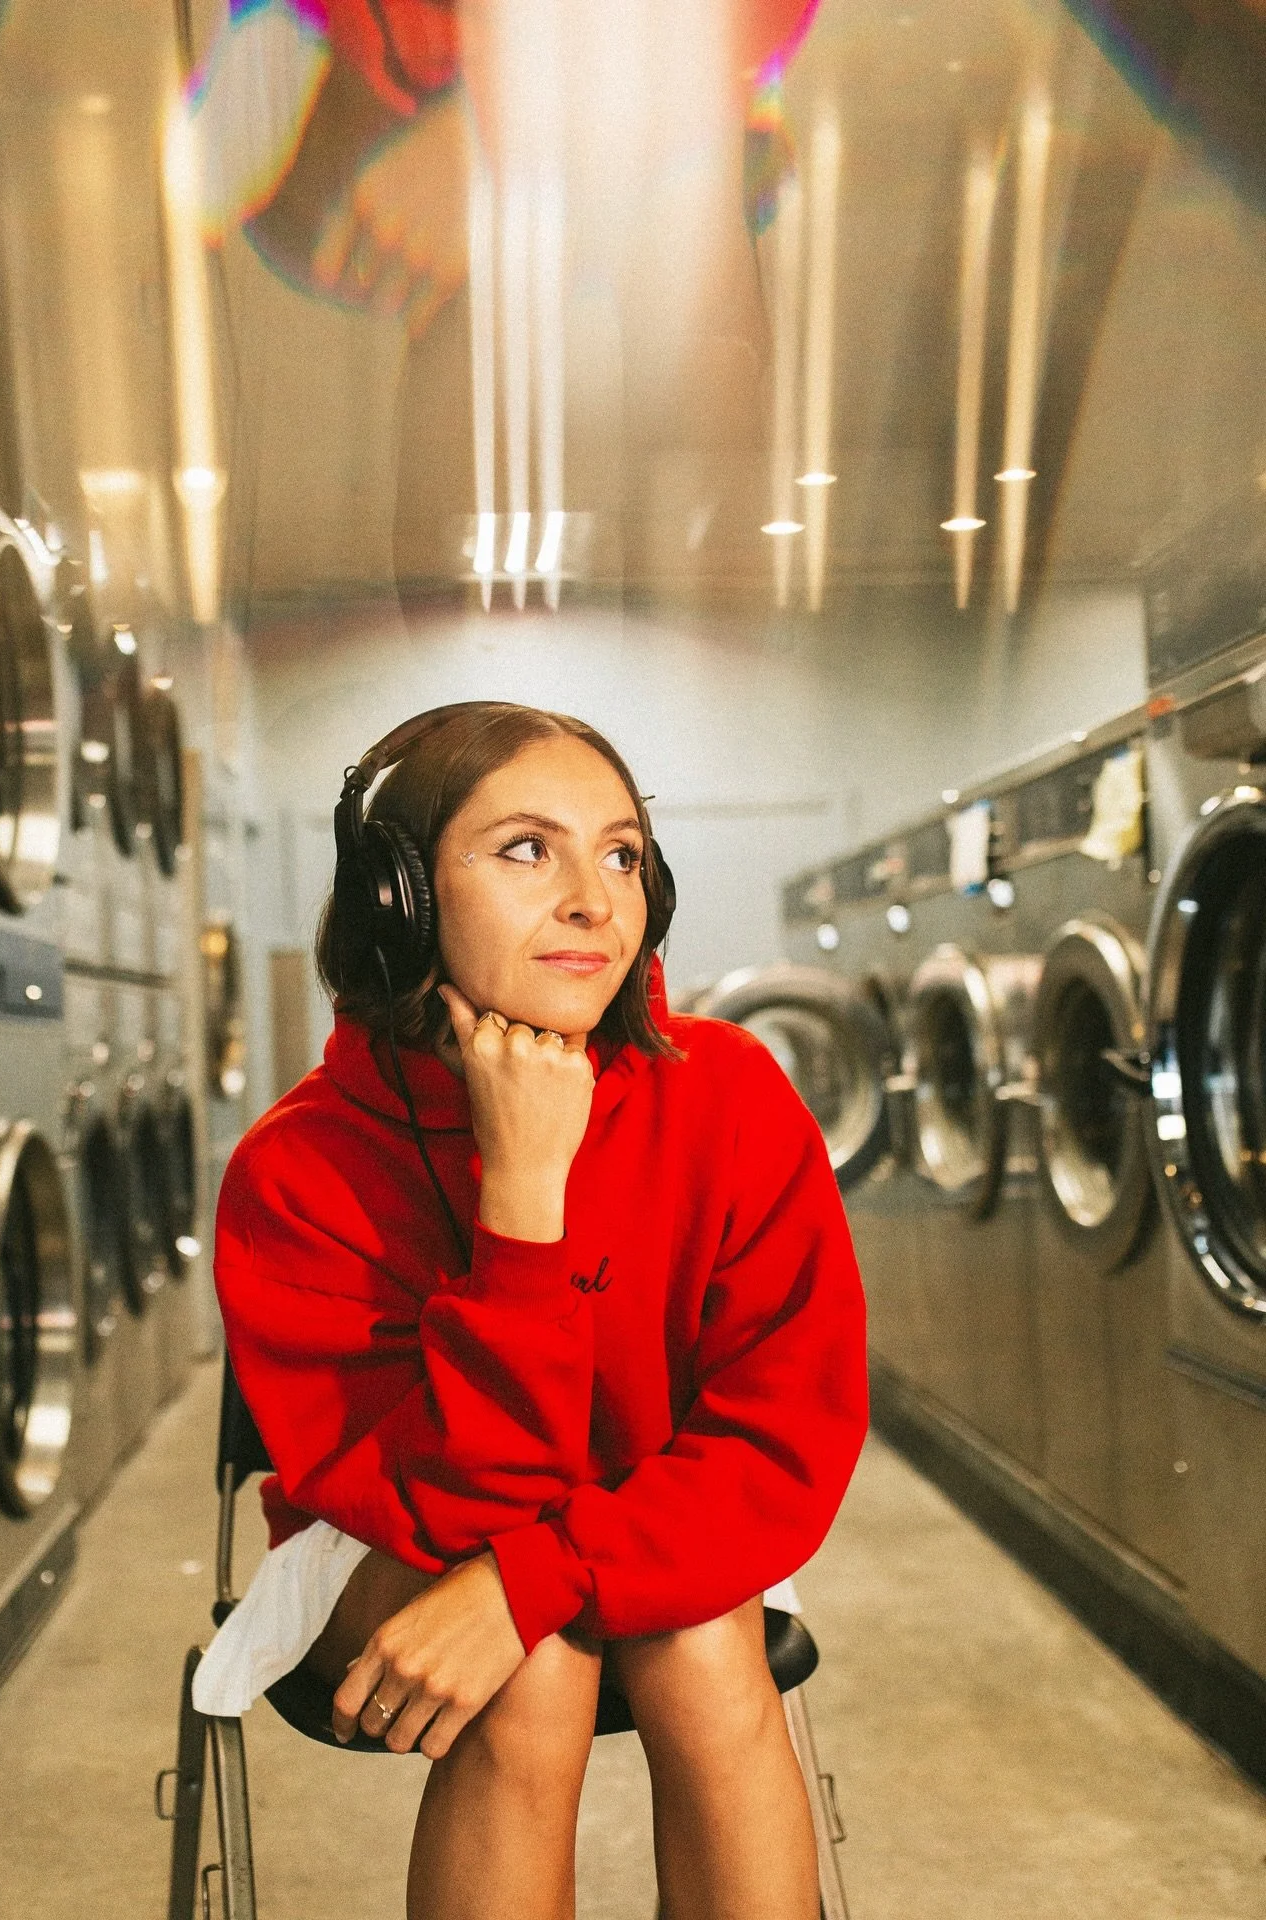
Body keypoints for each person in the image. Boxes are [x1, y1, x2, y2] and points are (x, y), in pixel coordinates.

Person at [212, 700, 868, 1919]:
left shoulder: (728, 1094)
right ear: (397, 898)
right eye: (526, 849)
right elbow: (432, 1499)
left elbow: (781, 1445)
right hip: (389, 1535)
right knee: (538, 1675)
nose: (594, 900)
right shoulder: (300, 1171)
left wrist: (535, 1576)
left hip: (648, 1509)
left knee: (703, 1639)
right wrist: (524, 1196)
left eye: (621, 855)